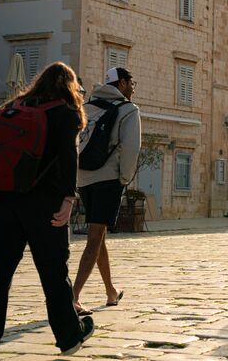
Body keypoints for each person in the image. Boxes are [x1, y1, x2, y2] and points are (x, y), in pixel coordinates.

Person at [0, 62, 93, 360]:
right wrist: (68, 199)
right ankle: (69, 336)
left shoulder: (13, 106)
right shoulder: (64, 113)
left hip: (3, 201)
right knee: (53, 271)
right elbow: (67, 157)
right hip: (43, 205)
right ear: (69, 86)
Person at [72, 67, 141, 313]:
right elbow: (131, 149)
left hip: (83, 179)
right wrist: (123, 178)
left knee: (99, 234)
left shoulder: (88, 106)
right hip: (108, 179)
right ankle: (73, 297)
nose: (133, 87)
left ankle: (111, 290)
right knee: (94, 238)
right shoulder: (128, 110)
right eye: (132, 82)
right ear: (122, 83)